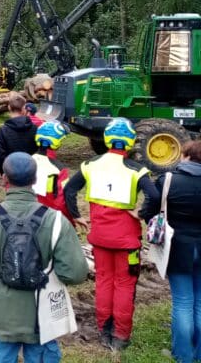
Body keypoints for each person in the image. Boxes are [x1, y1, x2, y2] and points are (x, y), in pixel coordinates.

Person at [0, 152, 89, 363]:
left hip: (2, 311)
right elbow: (75, 273)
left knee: (2, 356)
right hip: (42, 314)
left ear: (4, 178)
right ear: (34, 180)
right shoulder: (55, 220)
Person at [63, 118, 159, 351]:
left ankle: (104, 330)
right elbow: (154, 197)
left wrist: (76, 215)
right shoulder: (137, 170)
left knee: (104, 282)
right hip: (127, 241)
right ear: (129, 142)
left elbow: (69, 189)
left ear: (106, 139)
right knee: (125, 284)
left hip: (100, 237)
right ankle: (121, 336)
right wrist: (142, 213)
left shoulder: (89, 164)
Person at [141, 140, 201, 363]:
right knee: (200, 302)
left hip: (177, 247)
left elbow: (151, 209)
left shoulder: (168, 179)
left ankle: (183, 354)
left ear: (186, 156)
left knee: (183, 301)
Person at [31, 121, 74, 223]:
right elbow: (61, 202)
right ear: (58, 142)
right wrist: (70, 222)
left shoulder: (26, 161)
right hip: (49, 220)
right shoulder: (59, 170)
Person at [0, 92, 37, 175]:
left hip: (10, 171)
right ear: (24, 109)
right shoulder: (34, 128)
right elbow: (37, 151)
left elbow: (0, 156)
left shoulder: (3, 130)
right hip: (30, 170)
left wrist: (3, 173)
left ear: (9, 108)